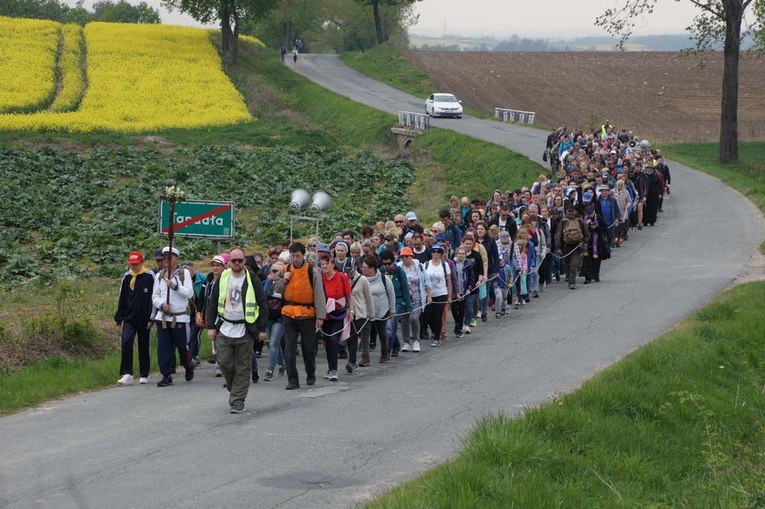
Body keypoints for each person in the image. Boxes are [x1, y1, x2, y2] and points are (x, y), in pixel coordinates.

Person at [206, 247, 264, 413]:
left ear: (244, 261)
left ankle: (238, 400)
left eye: (240, 260)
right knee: (224, 364)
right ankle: (235, 389)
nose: (237, 263)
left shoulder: (252, 279)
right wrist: (211, 326)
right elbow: (213, 301)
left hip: (245, 330)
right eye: (233, 261)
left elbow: (262, 303)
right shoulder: (223, 277)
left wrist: (261, 329)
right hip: (224, 328)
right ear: (229, 262)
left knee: (242, 366)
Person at [276, 242, 326, 390]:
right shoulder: (286, 269)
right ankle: (292, 379)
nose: (295, 259)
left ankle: (310, 372)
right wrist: (284, 279)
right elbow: (277, 289)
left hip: (307, 314)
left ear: (303, 255)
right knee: (289, 348)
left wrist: (320, 316)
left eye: (297, 256)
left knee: (308, 348)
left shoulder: (312, 271)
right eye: (293, 256)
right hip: (289, 312)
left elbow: (319, 295)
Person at [152, 246, 195, 387]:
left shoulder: (184, 274)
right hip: (163, 317)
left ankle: (187, 365)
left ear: (176, 259)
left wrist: (176, 287)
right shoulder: (159, 276)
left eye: (169, 257)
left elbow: (189, 293)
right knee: (163, 347)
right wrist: (162, 305)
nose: (166, 260)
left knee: (182, 346)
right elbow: (155, 296)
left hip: (180, 317)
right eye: (164, 258)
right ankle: (166, 374)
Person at [114, 250, 155, 385]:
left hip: (144, 318)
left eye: (136, 264)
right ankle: (127, 373)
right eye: (132, 264)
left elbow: (153, 298)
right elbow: (122, 298)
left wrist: (151, 317)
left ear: (142, 262)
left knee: (143, 345)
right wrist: (119, 317)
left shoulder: (149, 276)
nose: (134, 267)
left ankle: (144, 373)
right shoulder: (127, 277)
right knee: (126, 342)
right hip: (129, 318)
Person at [317, 246, 353, 382]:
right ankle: (330, 367)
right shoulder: (320, 279)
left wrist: (351, 310)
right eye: (322, 264)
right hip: (325, 314)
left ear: (332, 264)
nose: (325, 266)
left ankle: (334, 369)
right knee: (327, 341)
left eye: (327, 263)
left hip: (339, 314)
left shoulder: (342, 277)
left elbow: (349, 295)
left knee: (333, 340)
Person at [362, 255, 395, 363]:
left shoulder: (383, 278)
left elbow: (391, 294)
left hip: (382, 310)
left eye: (365, 267)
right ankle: (365, 357)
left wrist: (392, 310)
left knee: (382, 332)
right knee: (365, 333)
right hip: (366, 311)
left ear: (372, 269)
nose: (362, 269)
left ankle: (384, 353)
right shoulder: (361, 279)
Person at [397, 246, 432, 352]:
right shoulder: (398, 267)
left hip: (416, 298)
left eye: (406, 256)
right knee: (404, 321)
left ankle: (416, 340)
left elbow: (427, 281)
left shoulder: (419, 266)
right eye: (402, 256)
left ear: (411, 256)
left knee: (414, 318)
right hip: (404, 298)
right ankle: (406, 342)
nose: (404, 259)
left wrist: (429, 296)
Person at [380, 249, 412, 358]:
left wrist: (408, 306)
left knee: (390, 327)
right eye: (384, 264)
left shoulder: (400, 272)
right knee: (388, 327)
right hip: (384, 303)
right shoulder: (380, 272)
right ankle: (396, 345)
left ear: (393, 261)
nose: (387, 266)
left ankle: (387, 351)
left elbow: (405, 289)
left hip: (398, 302)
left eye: (389, 263)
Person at [200, 254, 226, 376]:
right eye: (214, 265)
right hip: (210, 312)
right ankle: (217, 358)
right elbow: (201, 297)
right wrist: (199, 311)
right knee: (213, 339)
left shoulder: (226, 280)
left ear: (223, 267)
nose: (215, 268)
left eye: (218, 266)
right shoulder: (208, 280)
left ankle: (220, 364)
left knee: (221, 339)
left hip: (222, 313)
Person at [347, 261, 373, 370]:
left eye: (351, 270)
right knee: (351, 337)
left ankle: (359, 359)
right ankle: (352, 361)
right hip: (348, 313)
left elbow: (369, 297)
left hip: (361, 313)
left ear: (355, 267)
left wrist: (371, 314)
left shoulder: (363, 280)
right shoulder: (344, 279)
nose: (349, 273)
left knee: (359, 336)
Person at [263, 261, 287, 381]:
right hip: (267, 318)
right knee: (275, 344)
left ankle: (270, 369)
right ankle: (282, 365)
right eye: (274, 271)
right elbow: (262, 297)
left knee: (273, 343)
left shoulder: (286, 285)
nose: (276, 273)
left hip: (280, 319)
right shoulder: (265, 284)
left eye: (279, 271)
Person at [424, 244, 451, 347]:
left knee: (438, 316)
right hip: (429, 294)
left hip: (441, 293)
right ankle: (434, 331)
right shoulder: (426, 264)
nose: (436, 253)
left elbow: (448, 281)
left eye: (438, 252)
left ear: (441, 253)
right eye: (434, 251)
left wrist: (449, 296)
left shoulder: (445, 265)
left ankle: (436, 337)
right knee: (429, 315)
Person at [555, 207, 589, 290]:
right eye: (569, 211)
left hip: (577, 247)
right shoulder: (563, 222)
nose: (570, 213)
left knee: (573, 265)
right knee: (567, 264)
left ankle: (572, 282)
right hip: (565, 246)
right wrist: (558, 247)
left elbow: (587, 234)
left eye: (572, 211)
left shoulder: (580, 221)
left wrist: (583, 242)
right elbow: (558, 235)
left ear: (575, 211)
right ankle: (568, 275)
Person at [580, 205, 610, 284]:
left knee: (596, 260)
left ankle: (596, 275)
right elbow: (581, 230)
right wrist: (586, 226)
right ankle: (588, 277)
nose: (590, 215)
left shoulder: (599, 218)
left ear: (594, 212)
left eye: (591, 214)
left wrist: (596, 228)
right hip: (587, 243)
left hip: (597, 243)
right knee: (587, 260)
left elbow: (605, 229)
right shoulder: (584, 219)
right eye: (588, 214)